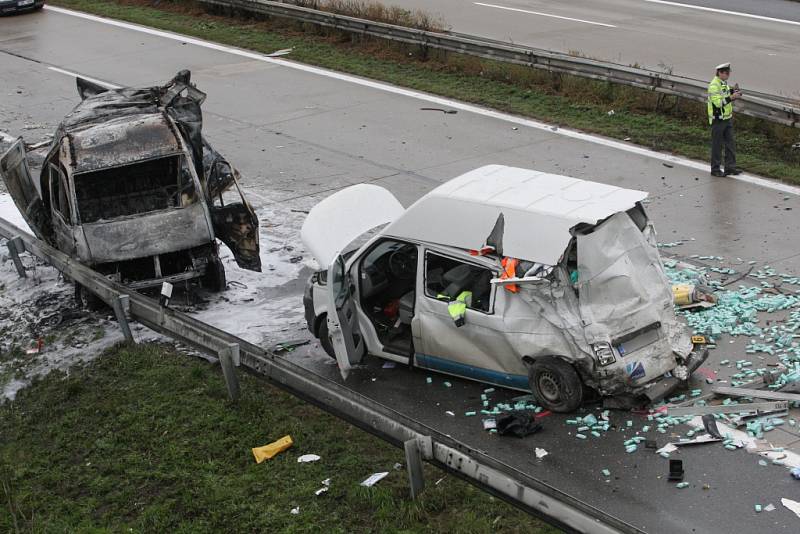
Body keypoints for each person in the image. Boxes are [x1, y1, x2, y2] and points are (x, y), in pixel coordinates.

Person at [707, 63, 742, 177]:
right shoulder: (714, 85)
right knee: (717, 145)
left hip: (727, 119)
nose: (728, 75)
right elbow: (718, 103)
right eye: (726, 73)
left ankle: (730, 167)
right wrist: (732, 97)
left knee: (730, 144)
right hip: (718, 120)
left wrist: (733, 92)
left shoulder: (723, 83)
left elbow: (725, 95)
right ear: (720, 73)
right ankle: (715, 169)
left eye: (729, 73)